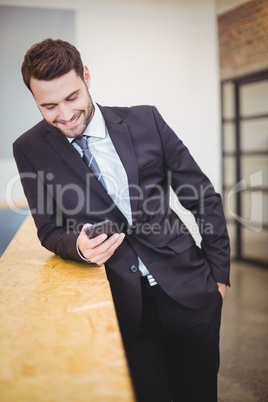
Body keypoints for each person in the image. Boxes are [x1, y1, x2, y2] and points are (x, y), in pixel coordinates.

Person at [13, 38, 230, 402]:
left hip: (191, 292)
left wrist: (218, 277)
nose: (64, 116)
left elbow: (202, 196)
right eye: (48, 106)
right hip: (121, 310)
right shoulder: (28, 148)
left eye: (72, 98)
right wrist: (78, 247)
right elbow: (49, 230)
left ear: (86, 76)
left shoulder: (146, 120)